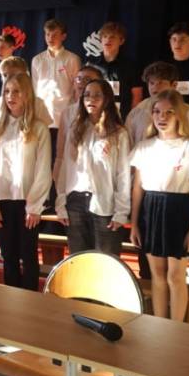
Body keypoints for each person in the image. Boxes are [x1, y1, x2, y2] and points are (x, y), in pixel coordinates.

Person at [129, 90, 189, 321]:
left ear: (179, 115)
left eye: (169, 112)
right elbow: (137, 189)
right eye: (157, 111)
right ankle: (159, 324)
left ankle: (176, 327)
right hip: (151, 210)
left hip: (179, 210)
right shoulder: (144, 147)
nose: (162, 117)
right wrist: (134, 223)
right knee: (157, 275)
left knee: (175, 276)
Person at [0, 72, 52, 291]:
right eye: (7, 91)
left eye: (16, 91)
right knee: (9, 256)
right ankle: (11, 302)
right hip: (3, 200)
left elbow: (43, 169)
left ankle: (30, 302)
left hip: (27, 202)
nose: (10, 96)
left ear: (26, 95)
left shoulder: (39, 128)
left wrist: (34, 206)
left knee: (29, 255)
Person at [56, 79, 131, 257]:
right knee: (79, 259)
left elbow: (123, 174)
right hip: (75, 201)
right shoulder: (75, 129)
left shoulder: (118, 133)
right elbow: (66, 168)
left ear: (107, 99)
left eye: (97, 95)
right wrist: (61, 202)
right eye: (87, 95)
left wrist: (121, 211)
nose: (91, 99)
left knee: (106, 260)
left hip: (104, 202)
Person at [126, 62, 189, 148]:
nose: (155, 88)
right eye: (151, 83)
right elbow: (128, 145)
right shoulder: (137, 112)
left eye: (160, 83)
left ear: (174, 85)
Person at [31, 18, 81, 145]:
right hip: (42, 118)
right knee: (44, 155)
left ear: (63, 36)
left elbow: (77, 89)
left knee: (62, 154)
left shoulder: (72, 59)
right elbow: (34, 89)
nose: (50, 38)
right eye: (47, 34)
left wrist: (76, 116)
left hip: (65, 117)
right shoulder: (37, 60)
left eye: (54, 35)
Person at [52, 65, 104, 186]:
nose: (81, 82)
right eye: (79, 79)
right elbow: (60, 152)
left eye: (87, 79)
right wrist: (57, 178)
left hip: (98, 180)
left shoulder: (107, 113)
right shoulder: (67, 113)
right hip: (73, 180)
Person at [84, 21, 143, 116]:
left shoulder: (131, 66)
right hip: (96, 117)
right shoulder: (91, 65)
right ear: (101, 40)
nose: (108, 40)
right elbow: (84, 93)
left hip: (122, 118)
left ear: (121, 41)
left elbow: (137, 97)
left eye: (112, 37)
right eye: (105, 36)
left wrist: (131, 119)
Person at [0, 56, 53, 135]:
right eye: (5, 75)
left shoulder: (37, 103)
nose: (8, 79)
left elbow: (45, 131)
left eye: (14, 75)